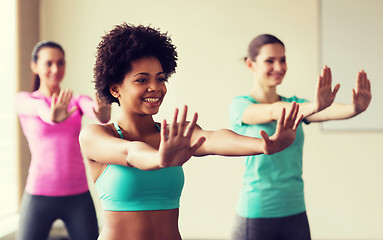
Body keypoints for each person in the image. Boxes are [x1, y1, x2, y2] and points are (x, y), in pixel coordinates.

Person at [78, 23, 304, 240]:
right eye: (142, 80)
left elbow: (215, 139)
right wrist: (159, 158)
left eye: (160, 78)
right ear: (115, 88)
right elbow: (130, 153)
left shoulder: (174, 135)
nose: (155, 87)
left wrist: (263, 145)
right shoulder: (95, 136)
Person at [229, 34, 372, 240]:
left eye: (283, 59)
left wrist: (354, 108)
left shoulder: (297, 104)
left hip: (295, 211)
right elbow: (273, 111)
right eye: (270, 60)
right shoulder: (241, 105)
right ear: (251, 64)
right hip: (257, 212)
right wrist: (315, 105)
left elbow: (327, 112)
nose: (278, 67)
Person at [15, 41, 111, 240]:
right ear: (35, 66)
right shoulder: (25, 100)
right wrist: (52, 116)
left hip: (78, 196)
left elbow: (96, 112)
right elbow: (41, 111)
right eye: (48, 63)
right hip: (38, 195)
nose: (55, 69)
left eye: (60, 63)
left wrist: (103, 112)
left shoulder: (76, 101)